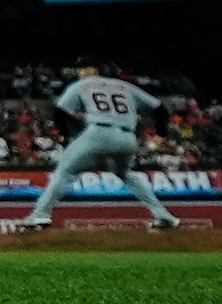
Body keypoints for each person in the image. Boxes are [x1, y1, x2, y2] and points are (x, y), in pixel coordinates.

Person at [19, 66, 182, 232]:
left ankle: (40, 214)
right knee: (126, 174)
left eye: (81, 69)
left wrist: (66, 135)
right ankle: (163, 215)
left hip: (99, 132)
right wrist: (161, 133)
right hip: (127, 138)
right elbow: (161, 109)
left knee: (65, 171)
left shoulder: (82, 85)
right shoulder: (124, 86)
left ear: (90, 70)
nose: (79, 72)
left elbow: (60, 111)